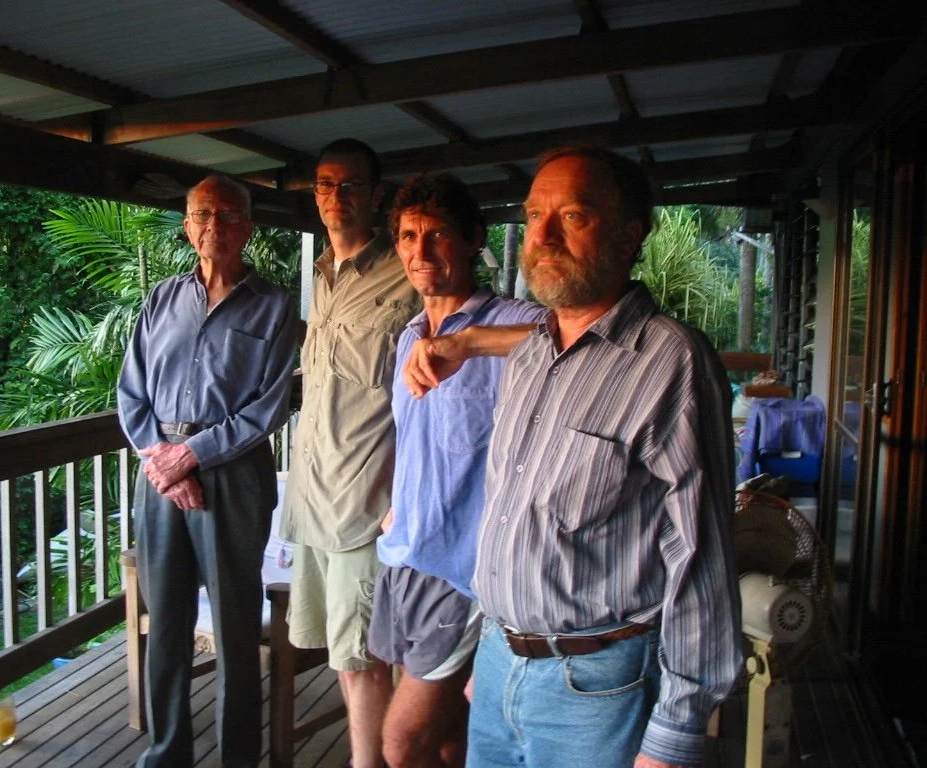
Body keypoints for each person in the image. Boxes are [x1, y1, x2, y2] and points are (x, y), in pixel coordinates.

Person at [465, 146, 743, 768]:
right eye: (534, 215)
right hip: (497, 664)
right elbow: (508, 516)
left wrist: (674, 736)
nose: (542, 235)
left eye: (574, 215)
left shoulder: (670, 361)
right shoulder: (529, 356)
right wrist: (489, 650)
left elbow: (701, 555)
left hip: (598, 688)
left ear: (628, 234)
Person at [117, 174, 298, 768]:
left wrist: (191, 457)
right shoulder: (161, 299)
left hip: (234, 477)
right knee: (165, 622)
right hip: (160, 477)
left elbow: (268, 405)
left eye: (227, 214)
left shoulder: (274, 306)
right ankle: (167, 752)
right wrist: (163, 461)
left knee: (235, 626)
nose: (213, 225)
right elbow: (130, 393)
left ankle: (237, 758)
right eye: (202, 214)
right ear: (187, 226)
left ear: (247, 226)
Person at [369, 174, 545, 768]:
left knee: (401, 742)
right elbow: (413, 436)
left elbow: (580, 342)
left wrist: (472, 342)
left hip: (464, 564)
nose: (421, 252)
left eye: (438, 234)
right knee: (446, 731)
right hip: (405, 550)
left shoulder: (506, 323)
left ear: (473, 239)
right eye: (409, 236)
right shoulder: (409, 337)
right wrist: (396, 503)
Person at [279, 138, 420, 768]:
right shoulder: (323, 275)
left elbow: (438, 397)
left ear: (377, 195)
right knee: (341, 657)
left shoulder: (408, 274)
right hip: (313, 497)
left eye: (352, 185)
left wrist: (408, 490)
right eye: (325, 184)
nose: (338, 197)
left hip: (366, 502)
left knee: (365, 663)